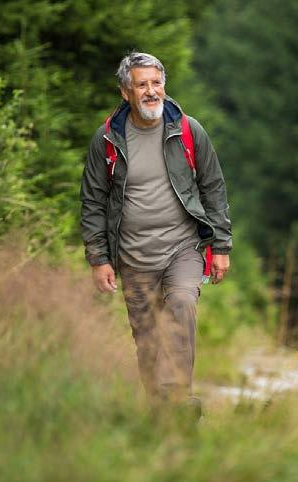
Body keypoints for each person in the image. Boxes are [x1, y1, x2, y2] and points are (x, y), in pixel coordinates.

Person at [80, 52, 232, 413]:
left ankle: (179, 398)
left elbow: (213, 187)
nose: (151, 91)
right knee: (147, 337)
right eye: (142, 84)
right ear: (125, 92)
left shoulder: (188, 130)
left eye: (156, 82)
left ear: (164, 85)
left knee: (182, 303)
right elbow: (93, 202)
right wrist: (99, 258)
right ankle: (160, 411)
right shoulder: (106, 140)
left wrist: (221, 246)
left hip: (183, 248)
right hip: (133, 256)